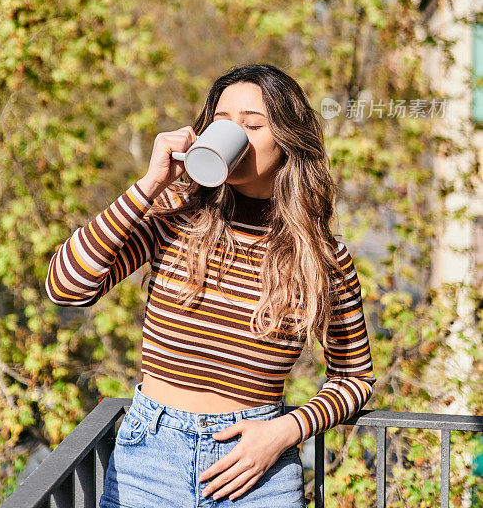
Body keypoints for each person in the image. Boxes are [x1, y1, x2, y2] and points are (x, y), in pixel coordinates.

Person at [46, 63, 377, 507]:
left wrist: (284, 430)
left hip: (257, 471)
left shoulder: (322, 256)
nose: (233, 133)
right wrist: (149, 184)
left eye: (252, 124)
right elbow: (66, 287)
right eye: (221, 122)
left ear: (287, 140)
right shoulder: (174, 215)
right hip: (149, 460)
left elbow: (354, 376)